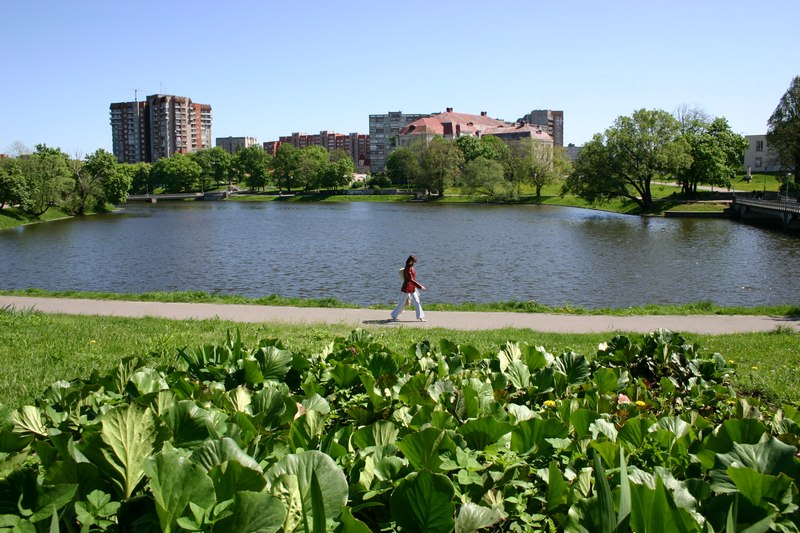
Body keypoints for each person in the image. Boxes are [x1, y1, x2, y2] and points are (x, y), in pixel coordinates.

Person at [391, 255, 426, 322]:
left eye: (412, 261)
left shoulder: (409, 267)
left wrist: (417, 286)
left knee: (417, 301)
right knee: (402, 302)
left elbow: (412, 280)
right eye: (411, 261)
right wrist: (420, 287)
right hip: (407, 287)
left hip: (411, 287)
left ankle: (420, 317)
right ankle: (394, 315)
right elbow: (411, 280)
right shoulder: (408, 269)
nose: (411, 262)